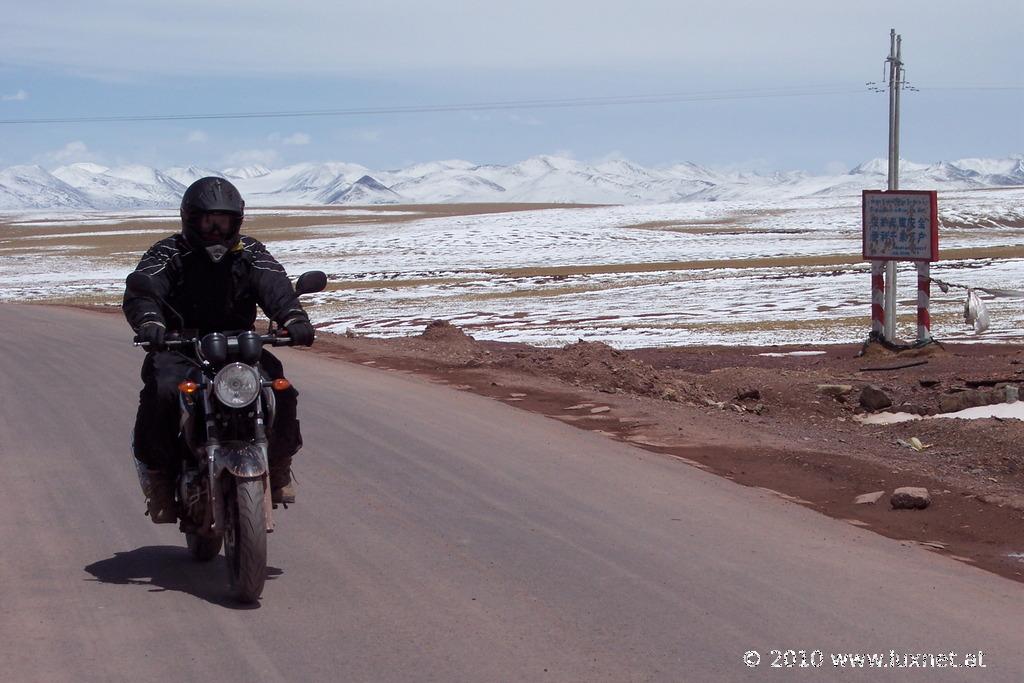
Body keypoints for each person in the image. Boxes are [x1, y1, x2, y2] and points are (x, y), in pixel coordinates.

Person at [123, 176, 314, 523]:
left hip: (240, 346)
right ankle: (160, 477)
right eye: (208, 222)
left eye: (222, 222)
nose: (215, 230)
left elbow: (275, 286)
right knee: (163, 391)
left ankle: (280, 463)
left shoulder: (251, 252)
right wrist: (151, 322)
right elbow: (143, 290)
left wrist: (294, 317)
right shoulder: (169, 252)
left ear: (236, 222)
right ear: (190, 220)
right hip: (181, 346)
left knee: (280, 388)